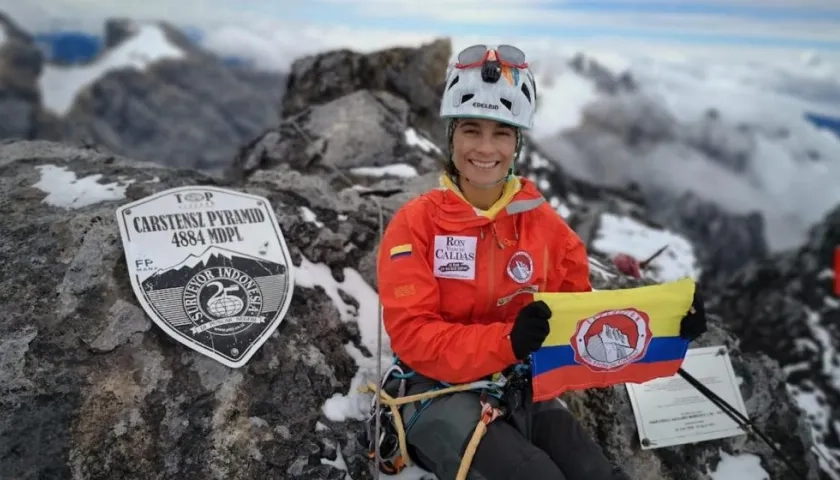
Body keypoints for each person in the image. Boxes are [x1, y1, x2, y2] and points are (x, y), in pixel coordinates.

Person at [375, 44, 707, 480]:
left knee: (595, 473)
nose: (485, 148)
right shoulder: (415, 225)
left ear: (517, 143)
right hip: (430, 392)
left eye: (502, 132)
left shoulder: (545, 229)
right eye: (471, 130)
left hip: (518, 385)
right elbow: (414, 337)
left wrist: (662, 327)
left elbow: (580, 331)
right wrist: (508, 341)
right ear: (450, 136)